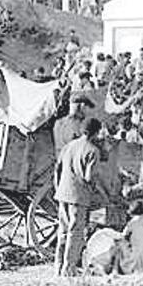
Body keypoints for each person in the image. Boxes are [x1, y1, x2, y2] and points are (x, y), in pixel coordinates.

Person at [54, 118, 109, 277]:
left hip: (63, 193)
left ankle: (58, 266)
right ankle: (69, 268)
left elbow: (58, 168)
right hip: (78, 196)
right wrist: (99, 192)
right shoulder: (92, 151)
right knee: (75, 232)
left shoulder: (69, 146)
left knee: (63, 231)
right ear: (96, 132)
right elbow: (89, 177)